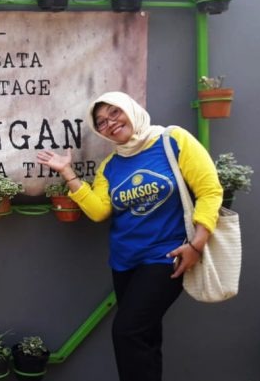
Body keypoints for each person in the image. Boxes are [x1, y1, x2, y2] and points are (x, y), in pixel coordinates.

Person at [36, 91, 222, 381]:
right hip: (124, 263)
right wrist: (68, 173)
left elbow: (210, 191)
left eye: (115, 112)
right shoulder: (110, 166)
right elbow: (99, 211)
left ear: (130, 109)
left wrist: (196, 245)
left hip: (166, 256)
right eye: (101, 121)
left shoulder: (172, 140)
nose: (109, 122)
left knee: (127, 332)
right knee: (145, 336)